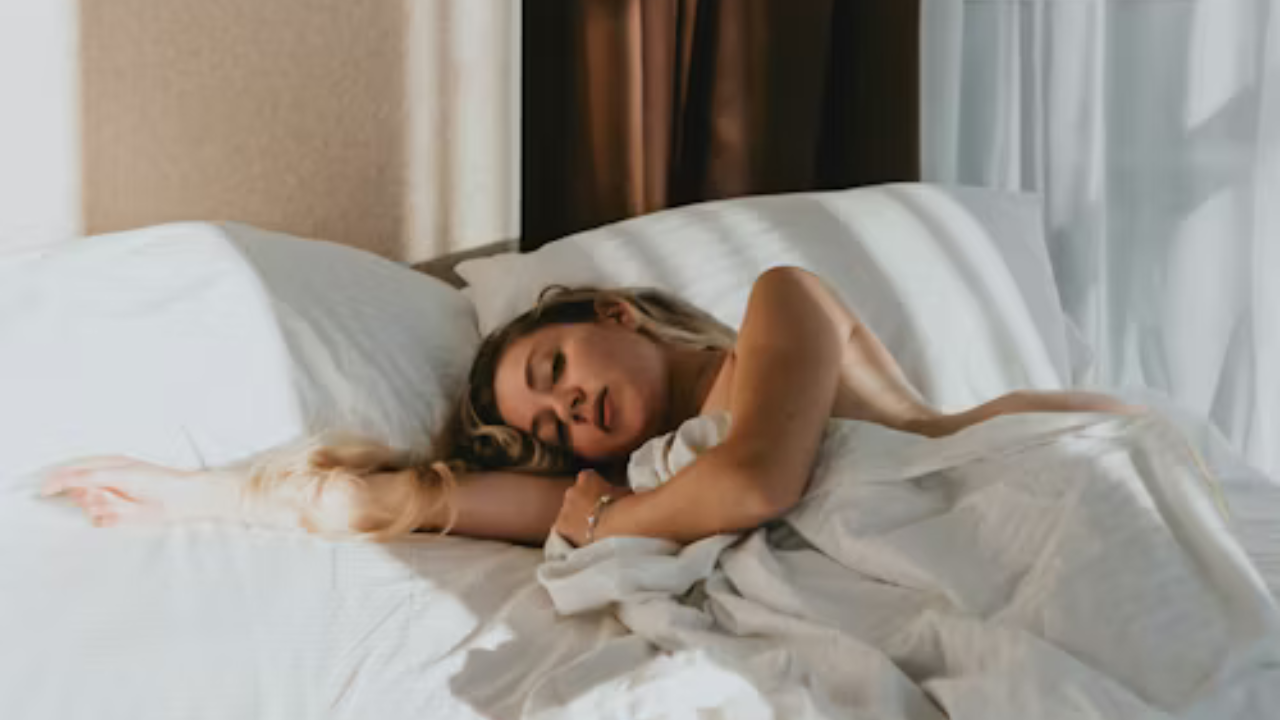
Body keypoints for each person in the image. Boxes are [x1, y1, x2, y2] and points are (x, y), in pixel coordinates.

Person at [42, 267, 1135, 546]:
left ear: (613, 313)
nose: (570, 412)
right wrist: (205, 495)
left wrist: (606, 523)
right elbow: (421, 503)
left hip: (1041, 467)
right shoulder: (616, 484)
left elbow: (757, 480)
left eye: (556, 368)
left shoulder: (782, 305)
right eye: (551, 425)